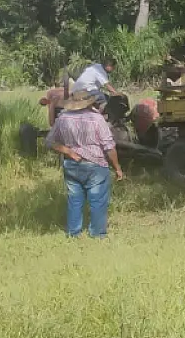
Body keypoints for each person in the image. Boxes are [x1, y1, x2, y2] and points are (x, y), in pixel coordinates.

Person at [45, 90, 125, 238]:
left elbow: (49, 141)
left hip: (72, 164)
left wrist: (68, 152)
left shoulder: (63, 118)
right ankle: (97, 233)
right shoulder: (96, 119)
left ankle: (73, 233)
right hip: (95, 164)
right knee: (97, 200)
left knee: (74, 200)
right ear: (90, 103)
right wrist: (117, 168)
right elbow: (109, 146)